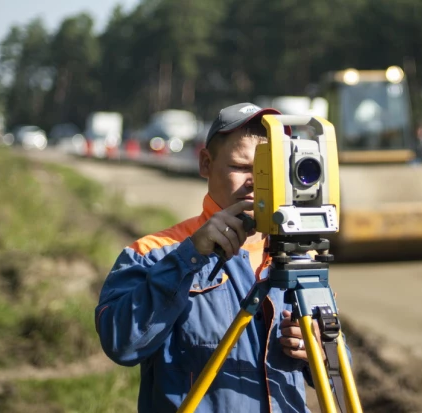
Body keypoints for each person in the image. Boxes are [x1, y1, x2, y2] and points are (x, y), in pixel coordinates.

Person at [95, 103, 336, 412]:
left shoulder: (302, 258)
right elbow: (121, 343)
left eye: (270, 170)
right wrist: (189, 259)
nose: (257, 181)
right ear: (206, 164)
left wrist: (319, 352)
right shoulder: (153, 253)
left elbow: (339, 369)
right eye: (242, 167)